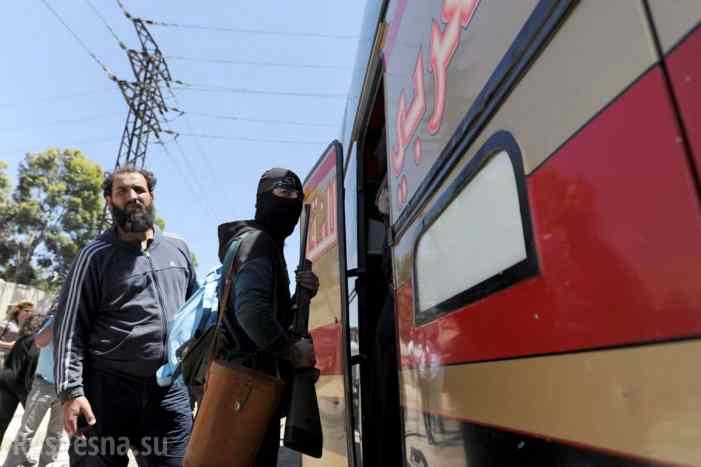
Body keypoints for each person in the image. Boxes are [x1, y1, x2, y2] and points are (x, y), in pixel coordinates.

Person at [53, 165, 198, 467]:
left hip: (167, 394)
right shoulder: (95, 255)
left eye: (138, 190)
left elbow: (193, 317)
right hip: (106, 394)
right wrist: (71, 392)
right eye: (121, 191)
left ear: (151, 196)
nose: (132, 196)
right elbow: (70, 329)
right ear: (109, 200)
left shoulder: (178, 249)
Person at [215, 168, 319, 467]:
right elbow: (251, 311)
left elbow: (264, 309)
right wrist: (291, 351)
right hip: (251, 383)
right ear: (262, 199)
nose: (292, 202)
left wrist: (301, 297)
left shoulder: (254, 242)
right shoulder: (259, 242)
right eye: (283, 193)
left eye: (297, 197)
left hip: (243, 379)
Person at [3, 313, 64, 467]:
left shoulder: (85, 321)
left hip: (66, 387)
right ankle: (11, 464)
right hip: (44, 383)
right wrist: (60, 317)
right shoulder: (54, 319)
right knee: (26, 431)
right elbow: (40, 342)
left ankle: (47, 464)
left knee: (55, 435)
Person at [0, 313, 43, 445]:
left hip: (6, 377)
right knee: (29, 424)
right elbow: (33, 358)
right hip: (19, 384)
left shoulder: (23, 338)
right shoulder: (36, 340)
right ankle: (21, 455)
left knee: (2, 421)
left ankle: (22, 455)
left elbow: (9, 359)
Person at [0, 301, 34, 368]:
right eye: (26, 311)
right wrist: (9, 345)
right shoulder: (6, 323)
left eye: (31, 311)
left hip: (12, 360)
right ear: (19, 310)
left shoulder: (26, 328)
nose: (29, 313)